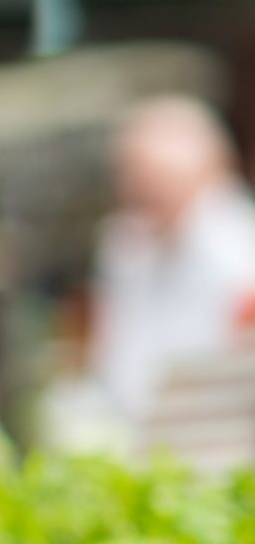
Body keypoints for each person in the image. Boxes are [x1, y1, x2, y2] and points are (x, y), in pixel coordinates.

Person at [88, 95, 255, 434]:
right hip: (139, 435)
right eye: (134, 179)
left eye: (158, 181)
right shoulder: (124, 243)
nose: (141, 192)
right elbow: (113, 357)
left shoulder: (237, 245)